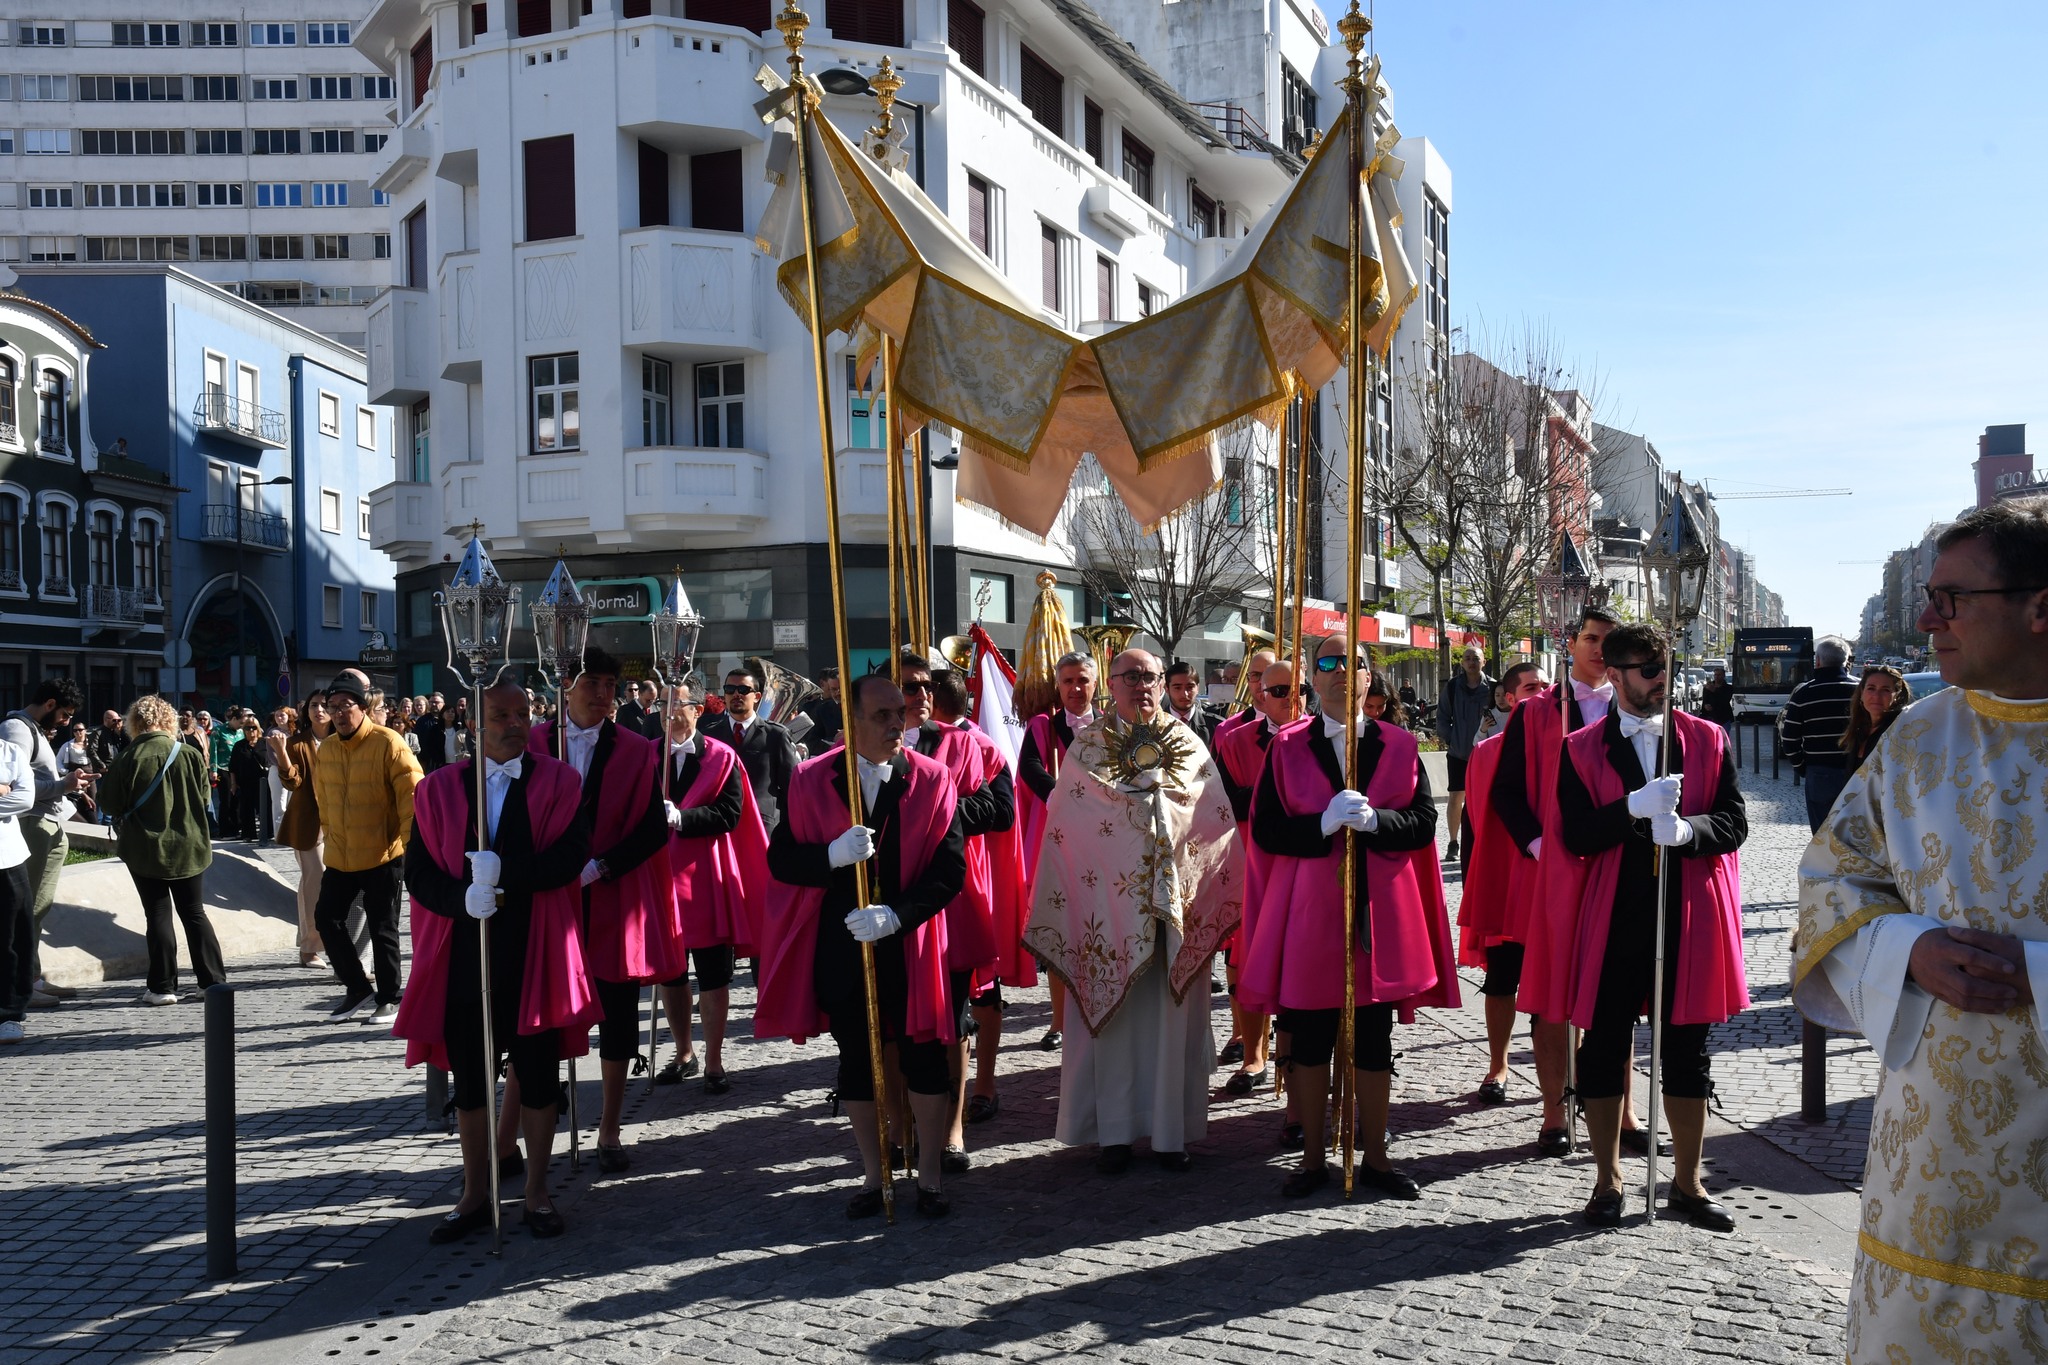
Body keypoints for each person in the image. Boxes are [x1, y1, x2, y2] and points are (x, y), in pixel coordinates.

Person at [1794, 499, 2048, 1361]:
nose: (1924, 617)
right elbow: (1835, 879)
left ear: (2039, 605)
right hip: (1931, 1154)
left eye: (1950, 597)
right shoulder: (1915, 740)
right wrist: (1911, 951)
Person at [1528, 622, 1748, 1228]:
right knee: (1602, 1045)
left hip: (1688, 909)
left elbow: (1733, 823)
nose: (1661, 681)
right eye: (1648, 671)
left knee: (1687, 1049)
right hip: (1613, 912)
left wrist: (1686, 831)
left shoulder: (1706, 739)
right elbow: (1574, 833)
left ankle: (1688, 1182)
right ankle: (1606, 1180)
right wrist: (1630, 810)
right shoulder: (1579, 748)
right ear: (1616, 672)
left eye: (1665, 669)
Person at [1244, 636, 1454, 1198]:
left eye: (1353, 663)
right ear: (1313, 676)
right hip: (1311, 911)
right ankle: (1313, 1158)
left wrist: (1376, 822)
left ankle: (1378, 1156)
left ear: (1368, 677)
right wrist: (1320, 825)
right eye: (1329, 663)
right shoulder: (1286, 747)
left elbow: (1422, 824)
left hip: (1379, 914)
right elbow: (1264, 830)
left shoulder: (1401, 745)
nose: (1341, 672)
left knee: (1374, 1037)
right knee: (1310, 1035)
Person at [755, 672, 967, 1218]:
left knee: (922, 1057)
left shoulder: (934, 778)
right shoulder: (809, 779)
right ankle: (875, 1177)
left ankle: (931, 1179)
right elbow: (781, 861)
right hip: (843, 942)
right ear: (850, 721)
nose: (897, 722)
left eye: (901, 712)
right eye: (882, 715)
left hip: (909, 943)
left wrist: (897, 914)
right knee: (857, 1060)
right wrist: (829, 856)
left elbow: (949, 872)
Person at [1023, 648, 1241, 1175]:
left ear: (1162, 682)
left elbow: (1213, 817)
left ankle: (1171, 1135)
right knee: (1113, 1026)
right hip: (1108, 914)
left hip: (1175, 910)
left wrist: (1166, 811)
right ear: (1111, 685)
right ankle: (1112, 1133)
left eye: (1150, 677)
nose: (1141, 685)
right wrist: (1129, 810)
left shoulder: (1188, 742)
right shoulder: (1087, 747)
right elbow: (1069, 824)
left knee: (1172, 1021)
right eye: (1130, 677)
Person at [395, 678, 596, 1243]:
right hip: (464, 952)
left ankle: (536, 1192)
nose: (515, 723)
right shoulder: (437, 789)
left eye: (522, 713)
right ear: (473, 723)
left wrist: (506, 875)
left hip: (535, 951)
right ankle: (475, 1193)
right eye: (502, 714)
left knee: (536, 1078)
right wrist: (462, 898)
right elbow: (419, 873)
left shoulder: (560, 781)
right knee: (472, 1082)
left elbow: (570, 856)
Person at [1491, 605, 1650, 1157]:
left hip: (1617, 868)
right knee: (1552, 997)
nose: (1599, 649)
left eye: (1609, 640)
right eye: (1590, 638)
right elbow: (1506, 791)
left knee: (1619, 995)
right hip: (1553, 874)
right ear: (1571, 644)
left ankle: (1624, 1111)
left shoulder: (1640, 710)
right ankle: (1554, 1110)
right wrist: (1538, 844)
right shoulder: (1536, 713)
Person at [523, 646, 681, 1172]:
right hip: (546, 900)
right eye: (593, 682)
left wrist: (603, 866)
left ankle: (610, 1128)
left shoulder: (638, 749)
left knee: (617, 1015)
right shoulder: (535, 741)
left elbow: (652, 829)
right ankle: (529, 1118)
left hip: (611, 900)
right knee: (540, 1011)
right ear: (565, 686)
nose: (603, 693)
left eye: (611, 684)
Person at [913, 663, 1021, 1164]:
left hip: (959, 889)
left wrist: (942, 808)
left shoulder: (980, 746)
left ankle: (964, 1110)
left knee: (962, 1005)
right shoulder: (879, 747)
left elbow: (1002, 812)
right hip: (901, 891)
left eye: (920, 689)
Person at [653, 680, 768, 1093]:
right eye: (662, 705)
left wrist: (683, 819)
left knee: (714, 973)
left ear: (697, 710)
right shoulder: (649, 756)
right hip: (662, 880)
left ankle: (715, 1060)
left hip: (706, 878)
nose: (666, 712)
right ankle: (684, 1051)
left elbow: (730, 814)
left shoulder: (721, 757)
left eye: (675, 704)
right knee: (670, 973)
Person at [1455, 661, 1551, 1103]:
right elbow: (1476, 824)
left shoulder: (1569, 744)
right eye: (1531, 687)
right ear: (1509, 698)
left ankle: (1565, 1074)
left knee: (1558, 986)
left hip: (1552, 888)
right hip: (1506, 885)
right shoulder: (1488, 751)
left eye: (1546, 685)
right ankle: (1499, 1065)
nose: (1542, 691)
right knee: (1501, 981)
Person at [312, 669, 423, 1024]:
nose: (340, 713)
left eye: (346, 706)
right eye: (333, 707)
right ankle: (357, 988)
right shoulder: (326, 749)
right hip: (342, 855)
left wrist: (412, 848)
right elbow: (324, 802)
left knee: (383, 926)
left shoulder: (388, 742)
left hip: (382, 853)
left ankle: (390, 997)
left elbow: (412, 797)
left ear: (362, 707)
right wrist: (329, 838)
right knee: (326, 919)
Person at [98, 696, 224, 1007]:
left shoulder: (129, 757)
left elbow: (109, 803)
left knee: (157, 913)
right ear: (169, 720)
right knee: (194, 913)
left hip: (145, 847)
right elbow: (205, 796)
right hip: (190, 845)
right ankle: (212, 982)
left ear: (134, 723)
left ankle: (162, 986)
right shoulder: (190, 754)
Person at [1212, 659, 1299, 1102]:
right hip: (1252, 862)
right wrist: (1281, 796)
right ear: (1261, 693)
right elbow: (1224, 802)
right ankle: (1254, 1052)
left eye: (1296, 688)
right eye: (1279, 690)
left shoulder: (1328, 738)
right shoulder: (1237, 740)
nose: (1289, 698)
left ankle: (1296, 1058)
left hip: (1306, 865)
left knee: (1301, 964)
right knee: (1247, 959)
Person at [1014, 650, 1098, 1050]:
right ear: (1058, 686)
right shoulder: (1043, 727)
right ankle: (1059, 1020)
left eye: (1082, 680)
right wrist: (1060, 796)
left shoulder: (1113, 727)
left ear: (1096, 683)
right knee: (1061, 934)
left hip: (1103, 844)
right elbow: (1030, 766)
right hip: (1060, 844)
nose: (1076, 689)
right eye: (1068, 681)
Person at [2, 678, 87, 1009]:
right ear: (50, 705)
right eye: (65, 715)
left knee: (36, 908)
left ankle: (31, 977)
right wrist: (62, 785)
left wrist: (67, 788)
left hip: (44, 823)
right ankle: (24, 982)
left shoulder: (32, 730)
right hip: (33, 826)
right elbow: (13, 785)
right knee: (28, 910)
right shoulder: (17, 731)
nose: (66, 723)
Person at [701, 664, 800, 836]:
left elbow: (791, 788)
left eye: (744, 689)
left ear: (757, 697)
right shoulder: (709, 735)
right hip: (721, 826)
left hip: (763, 827)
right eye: (730, 689)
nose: (736, 694)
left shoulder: (776, 734)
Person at [272, 695, 330, 969]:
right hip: (309, 824)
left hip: (344, 820)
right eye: (313, 706)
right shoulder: (297, 743)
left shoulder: (345, 739)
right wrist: (282, 753)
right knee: (315, 880)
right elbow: (292, 781)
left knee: (330, 882)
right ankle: (310, 947)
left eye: (323, 704)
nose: (319, 710)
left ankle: (346, 941)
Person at [1780, 635, 1858, 832]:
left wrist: (1803, 767)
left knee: (1823, 834)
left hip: (1819, 772)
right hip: (1858, 771)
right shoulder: (1861, 690)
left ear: (1818, 661)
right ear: (1846, 660)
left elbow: (1789, 738)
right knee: (1856, 833)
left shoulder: (1804, 693)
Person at [1438, 644, 1496, 864]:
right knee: (1456, 797)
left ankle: (1481, 840)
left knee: (1482, 799)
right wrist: (1451, 739)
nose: (1472, 662)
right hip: (1459, 753)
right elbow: (1443, 717)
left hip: (1485, 754)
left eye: (1476, 658)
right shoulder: (1453, 687)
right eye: (1468, 658)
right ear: (1462, 662)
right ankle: (1453, 842)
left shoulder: (1492, 687)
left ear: (1483, 661)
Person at [0, 728, 35, 1042]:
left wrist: (9, 791)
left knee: (14, 939)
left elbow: (25, 798)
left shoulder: (10, 753)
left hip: (7, 858)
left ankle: (10, 1012)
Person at [1840, 664, 1906, 768]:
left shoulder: (1899, 732)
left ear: (1896, 696)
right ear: (1862, 693)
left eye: (1885, 690)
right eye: (1871, 688)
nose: (1876, 696)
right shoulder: (1859, 730)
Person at [227, 717, 274, 841]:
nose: (251, 730)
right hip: (245, 782)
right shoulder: (239, 745)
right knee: (246, 809)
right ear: (244, 730)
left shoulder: (265, 742)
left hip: (263, 782)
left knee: (265, 808)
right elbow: (233, 766)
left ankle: (268, 833)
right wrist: (233, 783)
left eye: (254, 727)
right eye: (248, 727)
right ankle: (248, 834)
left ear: (258, 729)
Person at [1163, 660, 1217, 748]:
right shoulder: (1153, 727)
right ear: (1167, 689)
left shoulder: (1215, 726)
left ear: (1197, 688)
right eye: (1177, 688)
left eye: (1190, 687)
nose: (1185, 694)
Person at [799, 667, 844, 752]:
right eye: (834, 689)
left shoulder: (863, 707)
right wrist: (834, 740)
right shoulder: (822, 710)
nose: (838, 692)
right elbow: (812, 742)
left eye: (841, 688)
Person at [413, 693, 448, 776]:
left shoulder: (449, 720)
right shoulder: (422, 721)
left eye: (436, 702)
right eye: (431, 702)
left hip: (448, 761)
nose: (434, 704)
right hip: (427, 763)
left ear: (443, 704)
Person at [1698, 665, 1735, 742]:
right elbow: (1705, 701)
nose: (1717, 677)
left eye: (1719, 675)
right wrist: (1706, 706)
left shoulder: (1728, 688)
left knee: (1724, 740)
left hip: (1724, 718)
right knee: (1711, 740)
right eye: (1715, 675)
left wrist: (1714, 691)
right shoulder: (1708, 687)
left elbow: (1725, 700)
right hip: (1710, 717)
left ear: (1723, 676)